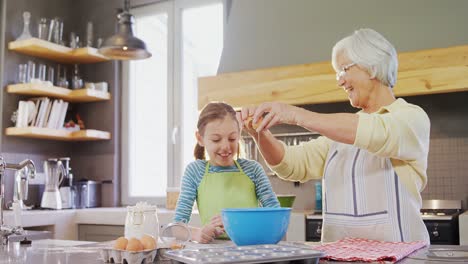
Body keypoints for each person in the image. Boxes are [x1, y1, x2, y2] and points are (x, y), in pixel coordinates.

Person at [238, 28, 430, 244]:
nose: (340, 81)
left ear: (372, 68)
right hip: (339, 258)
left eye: (344, 70)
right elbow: (290, 165)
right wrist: (260, 134)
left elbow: (376, 133)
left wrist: (295, 114)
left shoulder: (412, 119)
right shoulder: (339, 136)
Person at [174, 102, 280, 243]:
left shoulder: (253, 170)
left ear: (239, 135)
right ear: (200, 139)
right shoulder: (195, 172)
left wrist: (236, 221)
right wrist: (196, 234)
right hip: (212, 255)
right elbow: (176, 228)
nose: (225, 146)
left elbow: (277, 217)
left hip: (251, 251)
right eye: (216, 139)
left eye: (232, 139)